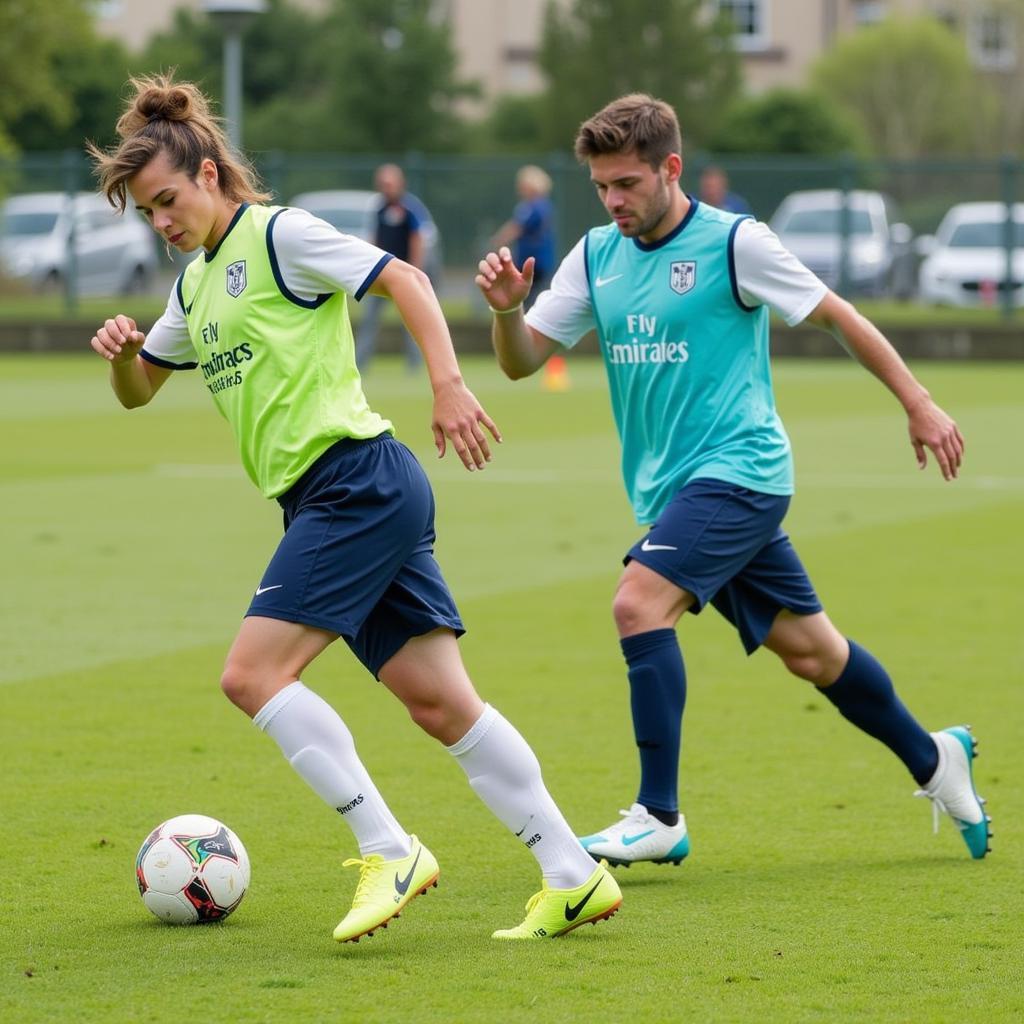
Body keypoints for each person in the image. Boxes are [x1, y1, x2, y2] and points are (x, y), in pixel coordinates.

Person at [87, 74, 621, 942]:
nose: (162, 222)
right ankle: (573, 873)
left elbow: (405, 278)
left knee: (251, 676)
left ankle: (389, 846)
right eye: (148, 212)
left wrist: (448, 385)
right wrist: (121, 353)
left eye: (167, 200)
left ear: (212, 175)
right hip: (333, 500)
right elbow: (140, 389)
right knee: (443, 704)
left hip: (355, 483)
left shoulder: (279, 237)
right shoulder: (195, 287)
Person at [475, 93, 990, 869]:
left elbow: (837, 314)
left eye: (628, 184)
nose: (614, 201)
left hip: (740, 472)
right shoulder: (594, 255)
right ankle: (933, 757)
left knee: (638, 602)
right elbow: (520, 362)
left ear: (670, 169)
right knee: (815, 653)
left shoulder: (734, 244)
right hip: (671, 492)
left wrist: (918, 404)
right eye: (602, 186)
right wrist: (509, 313)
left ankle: (659, 814)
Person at [356, 163, 427, 372]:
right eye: (382, 184)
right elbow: (374, 239)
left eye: (389, 184)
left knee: (411, 320)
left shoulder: (410, 209)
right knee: (369, 320)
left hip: (404, 275)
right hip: (381, 274)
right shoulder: (378, 209)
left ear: (400, 184)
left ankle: (414, 364)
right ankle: (360, 363)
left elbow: (418, 239)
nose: (386, 188)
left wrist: (415, 271)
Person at [489, 165, 557, 311]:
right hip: (534, 258)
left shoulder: (535, 206)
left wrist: (499, 240)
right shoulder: (538, 205)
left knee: (529, 297)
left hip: (534, 260)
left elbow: (517, 227)